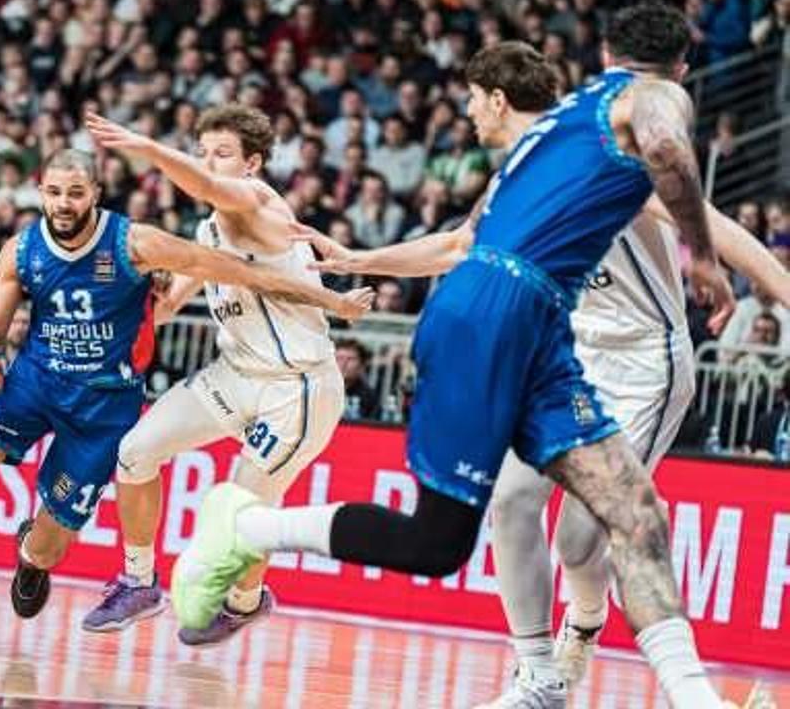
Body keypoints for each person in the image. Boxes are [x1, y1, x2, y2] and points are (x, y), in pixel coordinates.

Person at [170, 5, 746, 708]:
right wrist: (711, 266)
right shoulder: (623, 109)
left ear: (600, 54)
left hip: (540, 332)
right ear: (681, 67)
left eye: (473, 101)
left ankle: (644, 690)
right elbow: (660, 151)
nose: (468, 113)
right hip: (506, 318)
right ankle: (247, 526)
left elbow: (467, 239)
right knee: (453, 537)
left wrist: (360, 258)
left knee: (615, 516)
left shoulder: (569, 121)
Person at [300, 41, 790, 707]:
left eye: (472, 99)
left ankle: (593, 632)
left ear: (497, 101)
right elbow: (453, 247)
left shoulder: (606, 152)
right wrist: (359, 260)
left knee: (583, 536)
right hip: (571, 347)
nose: (467, 113)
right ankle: (540, 675)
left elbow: (731, 239)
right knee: (509, 503)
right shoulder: (523, 171)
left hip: (644, 359)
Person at [0, 149, 371, 621]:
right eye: (53, 192)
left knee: (48, 548)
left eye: (75, 193)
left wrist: (332, 300)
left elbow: (238, 270)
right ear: (40, 193)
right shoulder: (20, 251)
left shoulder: (135, 243)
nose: (63, 203)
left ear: (95, 193)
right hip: (34, 382)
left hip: (102, 409)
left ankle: (30, 557)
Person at [78, 105, 352, 645]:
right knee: (134, 452)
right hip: (233, 375)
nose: (209, 164)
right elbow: (168, 304)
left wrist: (149, 149)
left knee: (243, 514)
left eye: (222, 155)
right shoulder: (206, 231)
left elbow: (206, 185)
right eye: (202, 152)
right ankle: (138, 582)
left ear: (252, 164)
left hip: (296, 387)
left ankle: (246, 602)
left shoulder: (258, 200)